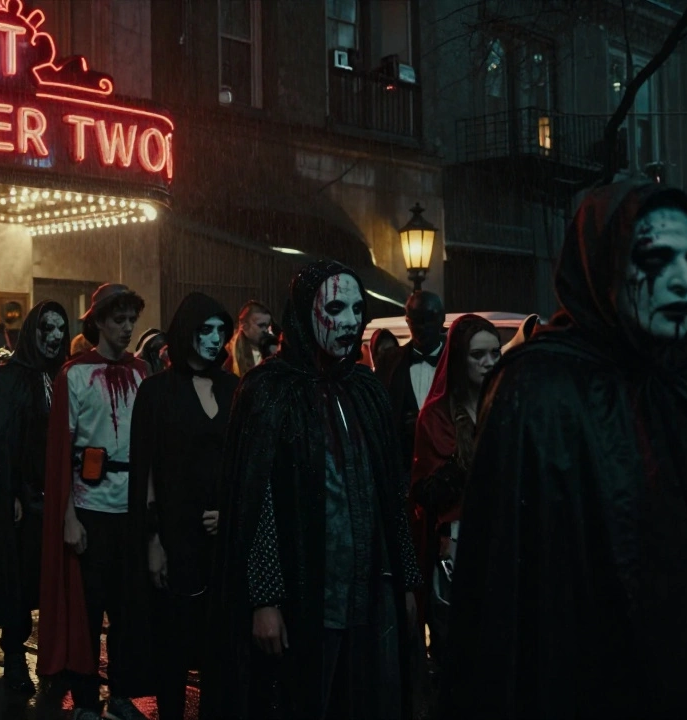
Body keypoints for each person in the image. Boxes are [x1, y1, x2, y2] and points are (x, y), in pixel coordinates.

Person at [441, 182, 687, 718]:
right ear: (603, 265)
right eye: (653, 258)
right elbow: (507, 594)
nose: (683, 279)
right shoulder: (537, 390)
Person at [203, 260, 423, 720]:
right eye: (336, 307)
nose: (349, 321)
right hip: (304, 595)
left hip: (369, 591)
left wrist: (406, 578)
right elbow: (256, 501)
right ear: (305, 314)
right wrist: (264, 598)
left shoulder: (365, 388)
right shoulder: (267, 389)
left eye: (357, 309)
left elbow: (390, 494)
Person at [40, 283, 152, 720]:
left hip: (131, 508)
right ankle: (85, 699)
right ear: (99, 322)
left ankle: (121, 695)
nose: (127, 329)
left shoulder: (143, 372)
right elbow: (62, 451)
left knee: (128, 610)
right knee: (87, 611)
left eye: (131, 320)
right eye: (119, 320)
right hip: (90, 508)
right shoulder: (75, 373)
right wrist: (68, 515)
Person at [130, 292, 237, 720]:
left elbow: (243, 462)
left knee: (219, 645)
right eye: (205, 330)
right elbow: (146, 470)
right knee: (171, 643)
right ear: (185, 333)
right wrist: (153, 539)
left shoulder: (235, 389)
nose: (215, 339)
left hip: (220, 537)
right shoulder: (157, 391)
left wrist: (230, 513)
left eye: (221, 331)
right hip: (173, 533)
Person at [0, 301, 68, 693]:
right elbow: (0, 441)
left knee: (53, 581)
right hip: (24, 498)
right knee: (17, 579)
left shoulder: (64, 374)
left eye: (60, 329)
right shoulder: (11, 378)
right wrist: (10, 492)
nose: (54, 337)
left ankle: (54, 658)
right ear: (32, 330)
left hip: (58, 497)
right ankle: (14, 655)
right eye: (46, 328)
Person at [408, 314, 501, 667]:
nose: (489, 362)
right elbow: (425, 492)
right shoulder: (436, 417)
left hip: (503, 540)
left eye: (495, 353)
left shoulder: (507, 404)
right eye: (479, 355)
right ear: (460, 359)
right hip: (455, 549)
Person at [377, 291, 445, 473]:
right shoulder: (388, 362)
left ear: (442, 319)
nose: (422, 327)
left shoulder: (457, 359)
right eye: (416, 320)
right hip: (403, 468)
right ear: (407, 321)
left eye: (428, 319)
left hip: (447, 467)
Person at [224, 300, 272, 376]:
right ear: (244, 326)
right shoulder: (226, 354)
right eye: (261, 325)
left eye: (267, 326)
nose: (266, 330)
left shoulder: (273, 352)